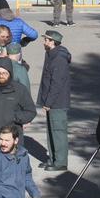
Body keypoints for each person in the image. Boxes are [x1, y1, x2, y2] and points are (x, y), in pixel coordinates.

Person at [37, 30, 73, 173]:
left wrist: (48, 102)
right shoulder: (51, 54)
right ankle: (53, 159)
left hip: (57, 102)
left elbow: (57, 83)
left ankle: (61, 162)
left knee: (58, 132)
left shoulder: (59, 59)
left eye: (46, 40)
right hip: (51, 101)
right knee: (51, 131)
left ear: (53, 42)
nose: (44, 42)